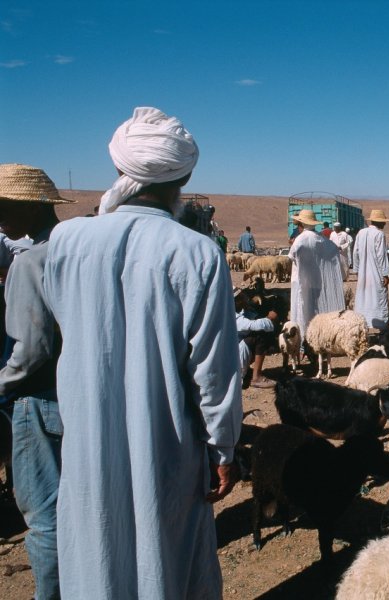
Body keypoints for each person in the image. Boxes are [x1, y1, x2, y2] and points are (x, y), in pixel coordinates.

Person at [42, 107, 242, 598]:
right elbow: (214, 372)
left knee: (97, 549)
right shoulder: (197, 253)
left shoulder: (65, 241)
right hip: (166, 443)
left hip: (88, 436)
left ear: (119, 168)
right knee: (166, 556)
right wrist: (224, 448)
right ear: (185, 175)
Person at [0, 164, 73, 600]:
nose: (1, 217)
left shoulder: (30, 263)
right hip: (78, 397)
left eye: (5, 207)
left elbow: (29, 352)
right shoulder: (78, 252)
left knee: (44, 517)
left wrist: (2, 382)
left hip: (37, 401)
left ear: (28, 205)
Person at [288, 209, 345, 352]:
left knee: (302, 309)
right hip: (317, 281)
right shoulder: (321, 240)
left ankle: (302, 343)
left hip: (301, 282)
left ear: (301, 223)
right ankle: (319, 340)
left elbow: (292, 256)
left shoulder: (300, 240)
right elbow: (333, 250)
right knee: (317, 311)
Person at [354, 209, 389, 330]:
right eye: (383, 222)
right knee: (378, 299)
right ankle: (381, 326)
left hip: (363, 274)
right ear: (380, 222)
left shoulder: (361, 232)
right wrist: (385, 274)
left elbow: (356, 252)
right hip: (376, 274)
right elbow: (381, 255)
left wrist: (357, 270)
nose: (385, 224)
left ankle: (362, 324)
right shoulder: (379, 234)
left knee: (363, 298)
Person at [234, 289, 278, 384]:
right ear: (236, 301)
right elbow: (252, 325)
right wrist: (269, 318)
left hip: (235, 354)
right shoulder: (232, 316)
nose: (245, 299)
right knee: (260, 335)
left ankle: (246, 369)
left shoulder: (240, 312)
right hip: (232, 359)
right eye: (241, 298)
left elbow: (254, 316)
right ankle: (256, 377)